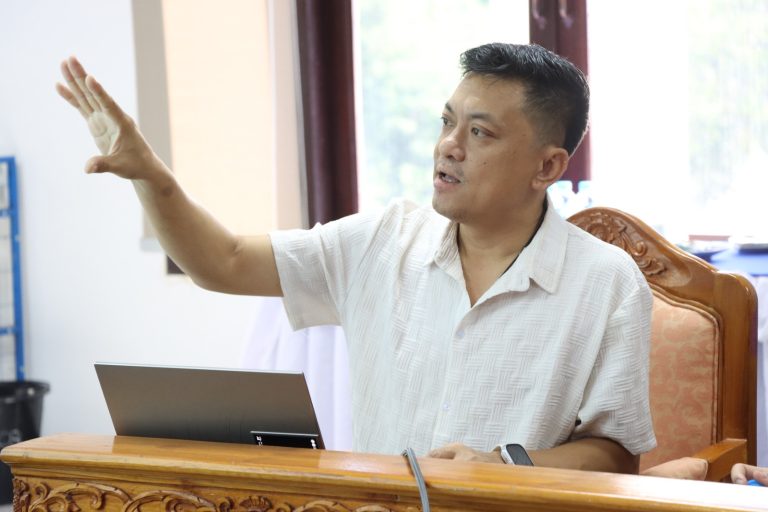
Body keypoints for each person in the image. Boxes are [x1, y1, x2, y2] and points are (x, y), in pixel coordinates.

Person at [56, 43, 655, 473]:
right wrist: (149, 174)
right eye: (447, 122)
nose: (448, 146)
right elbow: (224, 261)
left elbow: (617, 453)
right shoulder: (383, 241)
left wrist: (505, 465)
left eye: (480, 133)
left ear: (547, 166)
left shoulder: (606, 283)